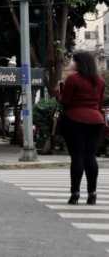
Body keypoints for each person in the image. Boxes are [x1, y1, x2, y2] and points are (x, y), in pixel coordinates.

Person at [58, 51, 105, 206]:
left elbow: (65, 102)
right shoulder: (99, 81)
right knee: (90, 156)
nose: (71, 63)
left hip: (75, 119)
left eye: (73, 61)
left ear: (79, 63)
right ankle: (92, 194)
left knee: (77, 156)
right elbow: (99, 103)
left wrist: (60, 91)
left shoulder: (73, 79)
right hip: (97, 121)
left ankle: (75, 194)